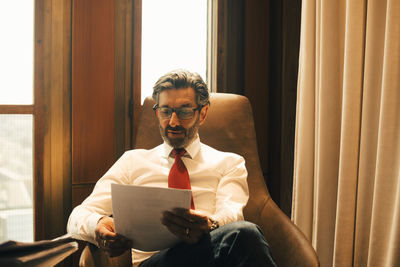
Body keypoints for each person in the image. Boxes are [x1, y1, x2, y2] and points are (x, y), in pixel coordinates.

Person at [67, 70, 276, 267]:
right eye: (165, 111)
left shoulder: (229, 163)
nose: (173, 122)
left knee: (244, 233)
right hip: (154, 263)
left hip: (211, 256)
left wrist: (209, 225)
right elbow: (77, 216)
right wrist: (99, 224)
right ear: (157, 113)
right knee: (245, 234)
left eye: (184, 111)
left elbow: (232, 213)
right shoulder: (132, 162)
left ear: (202, 113)